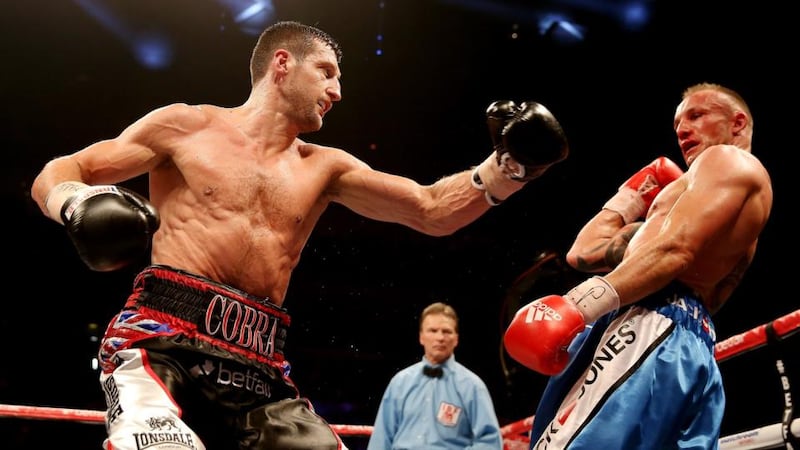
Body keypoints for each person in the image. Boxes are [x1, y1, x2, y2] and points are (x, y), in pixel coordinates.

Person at [30, 20, 569, 450]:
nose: (337, 91)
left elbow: (431, 209)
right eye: (327, 72)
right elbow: (64, 169)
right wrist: (75, 202)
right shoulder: (186, 127)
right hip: (162, 341)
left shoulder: (325, 167)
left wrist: (509, 169)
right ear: (282, 65)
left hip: (260, 366)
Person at [504, 82, 772, 449]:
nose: (682, 129)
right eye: (679, 122)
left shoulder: (728, 160)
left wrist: (578, 305)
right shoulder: (690, 204)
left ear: (737, 123)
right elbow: (583, 252)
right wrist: (634, 195)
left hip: (648, 324)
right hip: (686, 345)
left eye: (697, 115)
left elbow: (676, 251)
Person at [368, 302, 503, 449]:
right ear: (421, 337)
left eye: (446, 331)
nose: (440, 337)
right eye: (433, 330)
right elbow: (381, 440)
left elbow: (490, 443)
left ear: (456, 339)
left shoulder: (472, 386)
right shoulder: (400, 382)